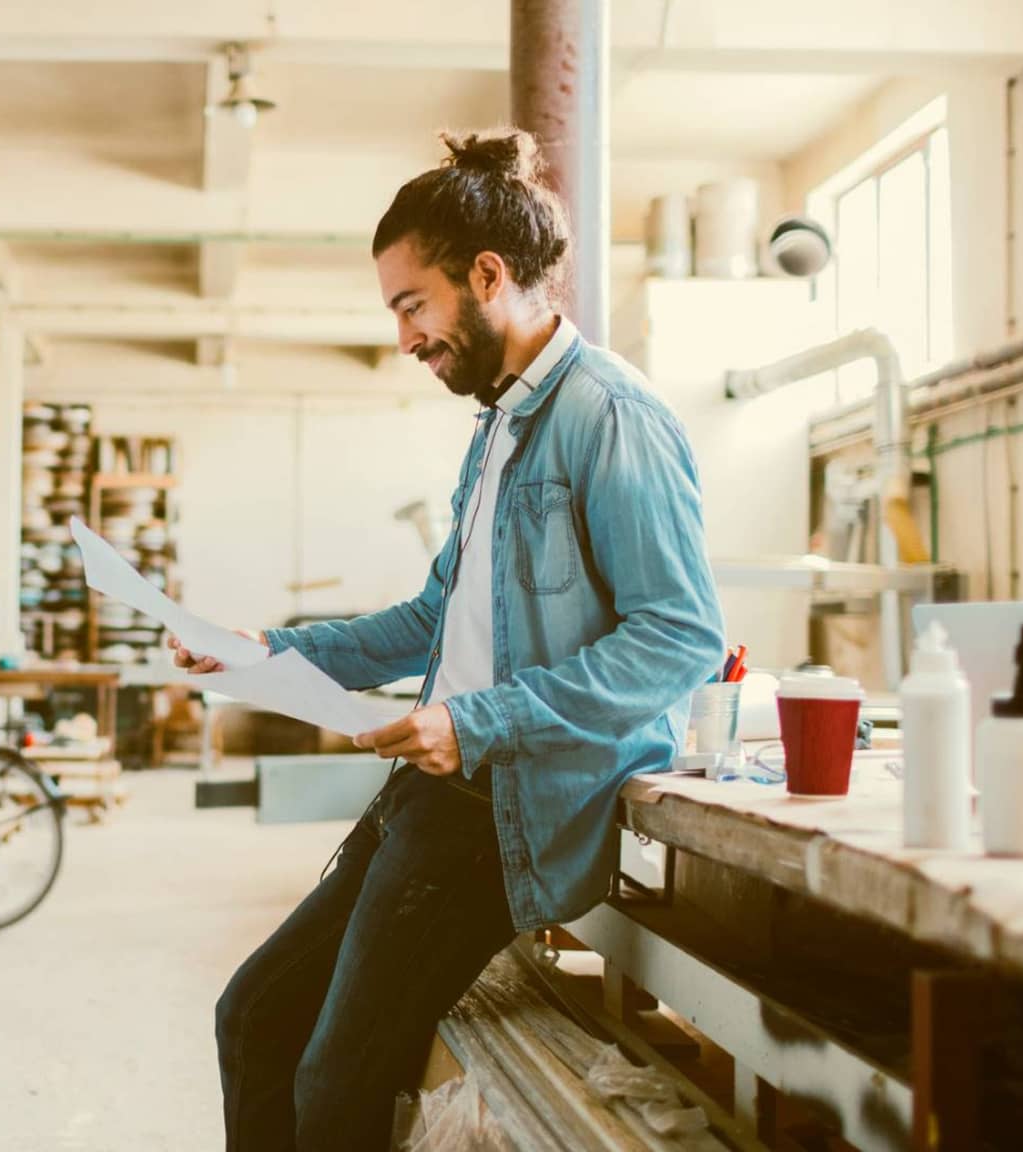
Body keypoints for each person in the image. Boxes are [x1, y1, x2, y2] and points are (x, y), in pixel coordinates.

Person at [177, 127, 724, 1151]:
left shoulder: (607, 416)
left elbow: (679, 635)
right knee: (252, 1015)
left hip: (496, 810)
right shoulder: (500, 430)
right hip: (433, 798)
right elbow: (431, 621)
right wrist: (266, 652)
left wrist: (474, 722)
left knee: (336, 1086)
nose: (403, 339)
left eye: (410, 305)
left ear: (485, 275)